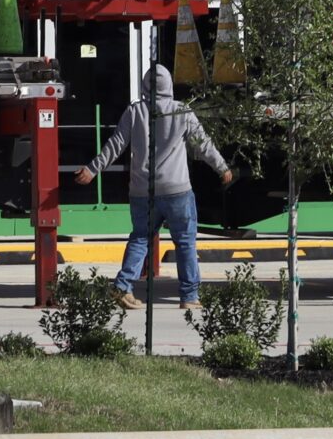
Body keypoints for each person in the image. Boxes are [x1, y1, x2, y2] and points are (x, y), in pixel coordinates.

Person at [72, 64, 234, 306]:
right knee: (185, 242)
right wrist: (222, 167)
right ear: (169, 85)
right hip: (177, 190)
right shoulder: (182, 112)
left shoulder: (134, 111)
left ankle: (123, 286)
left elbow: (116, 144)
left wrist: (93, 169)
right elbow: (203, 145)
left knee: (140, 238)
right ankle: (189, 296)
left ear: (145, 85)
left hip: (142, 191)